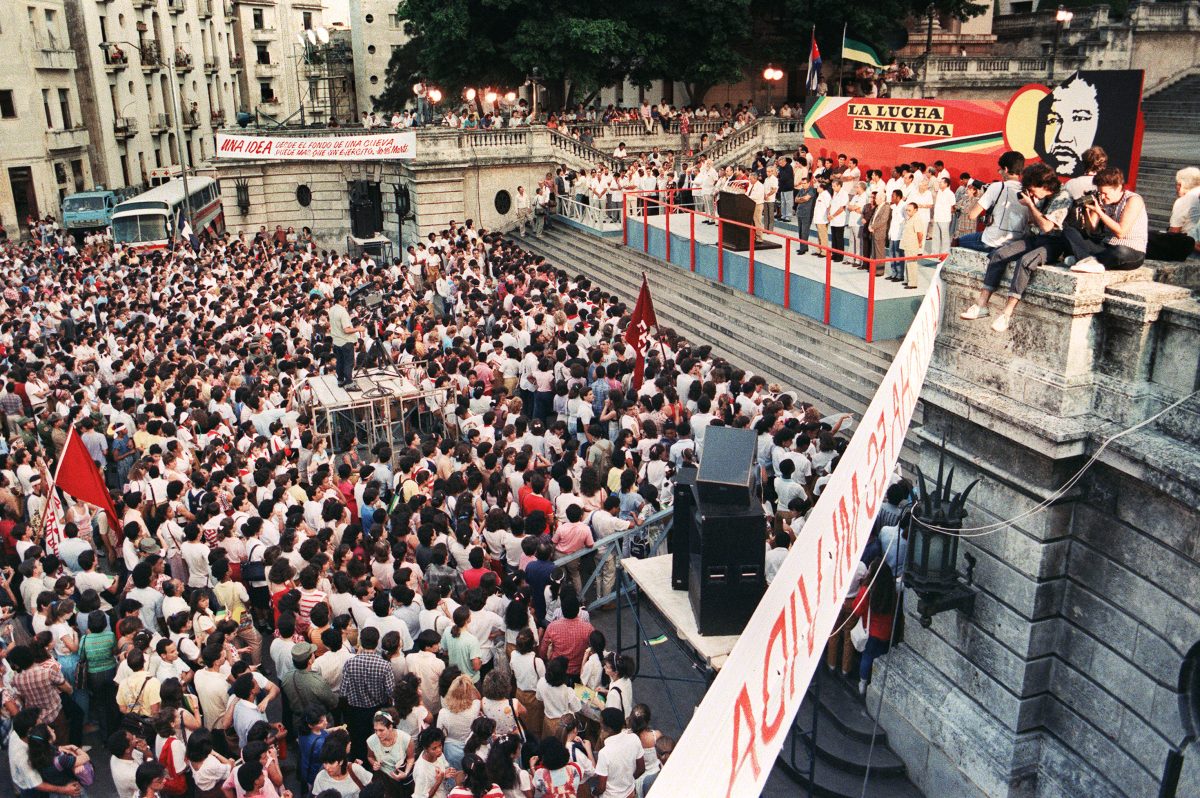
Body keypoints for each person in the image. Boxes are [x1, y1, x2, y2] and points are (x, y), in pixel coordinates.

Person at [960, 162, 1073, 332]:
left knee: (1026, 261)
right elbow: (1035, 222)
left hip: (1055, 243)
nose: (1032, 194)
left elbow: (1048, 227)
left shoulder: (1063, 196)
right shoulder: (1040, 197)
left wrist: (1030, 205)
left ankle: (1006, 313)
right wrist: (1031, 207)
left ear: (1044, 186)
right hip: (1035, 237)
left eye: (1033, 190)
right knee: (999, 254)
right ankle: (981, 304)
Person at [1062, 166, 1148, 274]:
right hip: (1106, 246)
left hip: (1130, 251)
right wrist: (1089, 210)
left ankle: (1085, 259)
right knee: (1069, 231)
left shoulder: (1133, 200)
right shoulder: (1102, 199)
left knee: (1120, 252)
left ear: (1118, 188)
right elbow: (1091, 229)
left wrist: (1100, 212)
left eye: (1105, 193)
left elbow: (1121, 232)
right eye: (1100, 193)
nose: (1102, 197)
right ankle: (1090, 261)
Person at [957, 151, 1028, 253]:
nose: (1000, 173)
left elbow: (972, 215)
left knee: (957, 241)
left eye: (1000, 170)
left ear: (1006, 169)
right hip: (1015, 243)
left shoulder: (997, 187)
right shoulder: (1027, 190)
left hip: (992, 242)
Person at [852, 560, 897, 695]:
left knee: (867, 656)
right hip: (886, 630)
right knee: (879, 657)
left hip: (871, 630)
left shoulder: (868, 590)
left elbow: (857, 609)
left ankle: (863, 683)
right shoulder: (891, 589)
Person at [593, 708, 645, 798]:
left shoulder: (604, 753)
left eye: (601, 722)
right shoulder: (634, 738)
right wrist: (627, 781)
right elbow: (641, 769)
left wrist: (593, 793)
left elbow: (601, 787)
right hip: (630, 793)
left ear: (607, 728)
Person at [328, 289, 365, 390]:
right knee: (349, 362)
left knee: (340, 362)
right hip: (345, 341)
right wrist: (358, 329)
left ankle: (340, 380)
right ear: (339, 300)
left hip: (337, 341)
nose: (347, 301)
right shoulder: (342, 312)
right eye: (345, 299)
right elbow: (346, 330)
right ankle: (349, 383)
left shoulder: (331, 309)